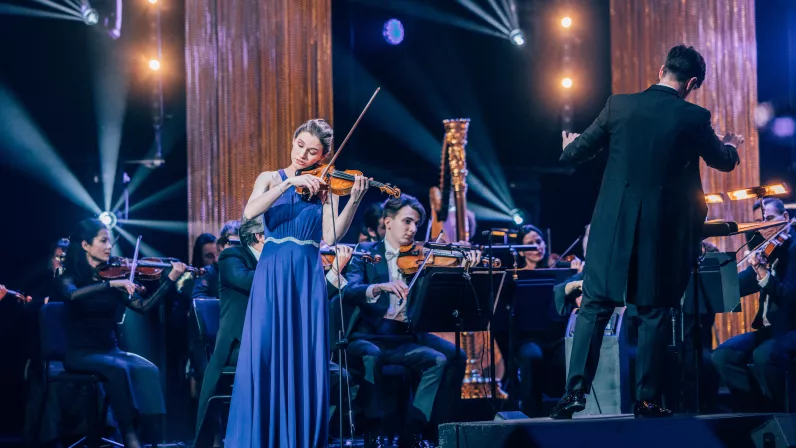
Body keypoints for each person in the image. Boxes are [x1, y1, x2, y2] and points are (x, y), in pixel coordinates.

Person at [550, 44, 742, 419]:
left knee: (594, 307)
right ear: (692, 83)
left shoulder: (618, 106)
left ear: (660, 70)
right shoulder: (694, 116)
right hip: (661, 234)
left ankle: (573, 394)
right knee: (654, 312)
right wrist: (732, 146)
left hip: (611, 229)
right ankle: (647, 400)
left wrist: (569, 144)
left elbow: (572, 154)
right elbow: (722, 161)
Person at [225, 118, 369, 447]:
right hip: (272, 273)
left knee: (304, 357)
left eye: (312, 151)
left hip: (306, 275)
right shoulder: (269, 178)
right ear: (293, 141)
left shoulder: (326, 186)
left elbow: (331, 235)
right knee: (264, 352)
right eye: (300, 145)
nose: (303, 154)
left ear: (323, 156)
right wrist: (289, 183)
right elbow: (249, 212)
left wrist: (354, 200)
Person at [343, 194, 468, 447]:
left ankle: (422, 431)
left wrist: (465, 263)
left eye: (416, 224)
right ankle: (373, 432)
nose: (412, 229)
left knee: (452, 356)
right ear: (388, 222)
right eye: (407, 221)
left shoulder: (421, 256)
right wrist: (378, 287)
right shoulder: (365, 253)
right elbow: (349, 290)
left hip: (405, 335)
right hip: (369, 335)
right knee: (371, 355)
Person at [56, 218, 187, 447]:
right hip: (80, 353)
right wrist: (111, 285)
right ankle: (130, 436)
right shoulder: (69, 277)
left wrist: (168, 281)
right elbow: (72, 295)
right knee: (117, 369)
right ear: (85, 245)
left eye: (110, 241)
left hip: (111, 349)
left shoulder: (114, 275)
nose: (109, 246)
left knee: (148, 369)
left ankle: (154, 437)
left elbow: (142, 307)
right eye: (103, 241)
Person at [712, 198, 796, 412]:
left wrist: (764, 274)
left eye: (770, 219)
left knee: (763, 355)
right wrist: (712, 280)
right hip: (770, 331)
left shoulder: (793, 250)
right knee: (723, 355)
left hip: (791, 328)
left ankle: (782, 415)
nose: (764, 227)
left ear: (785, 217)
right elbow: (741, 283)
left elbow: (790, 297)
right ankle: (756, 412)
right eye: (759, 223)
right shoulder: (769, 251)